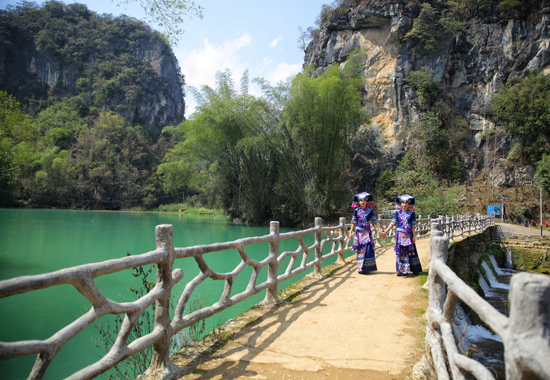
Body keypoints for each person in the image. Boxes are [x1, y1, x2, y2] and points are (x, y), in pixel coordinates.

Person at [382, 194, 422, 276]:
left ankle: (410, 269)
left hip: (408, 235)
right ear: (400, 204)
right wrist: (385, 231)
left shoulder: (412, 214)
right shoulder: (397, 213)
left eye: (406, 203)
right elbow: (392, 223)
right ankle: (400, 270)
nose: (404, 204)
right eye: (403, 203)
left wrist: (414, 236)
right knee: (400, 252)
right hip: (399, 235)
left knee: (409, 252)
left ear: (409, 204)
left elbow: (413, 226)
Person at [348, 192, 383, 274]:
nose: (362, 202)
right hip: (359, 233)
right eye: (361, 201)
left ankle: (368, 268)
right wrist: (351, 233)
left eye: (364, 201)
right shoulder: (356, 211)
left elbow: (375, 221)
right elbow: (353, 222)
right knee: (360, 250)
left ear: (366, 202)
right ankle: (360, 268)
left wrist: (380, 230)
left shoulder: (370, 211)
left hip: (367, 233)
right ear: (359, 202)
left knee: (368, 250)